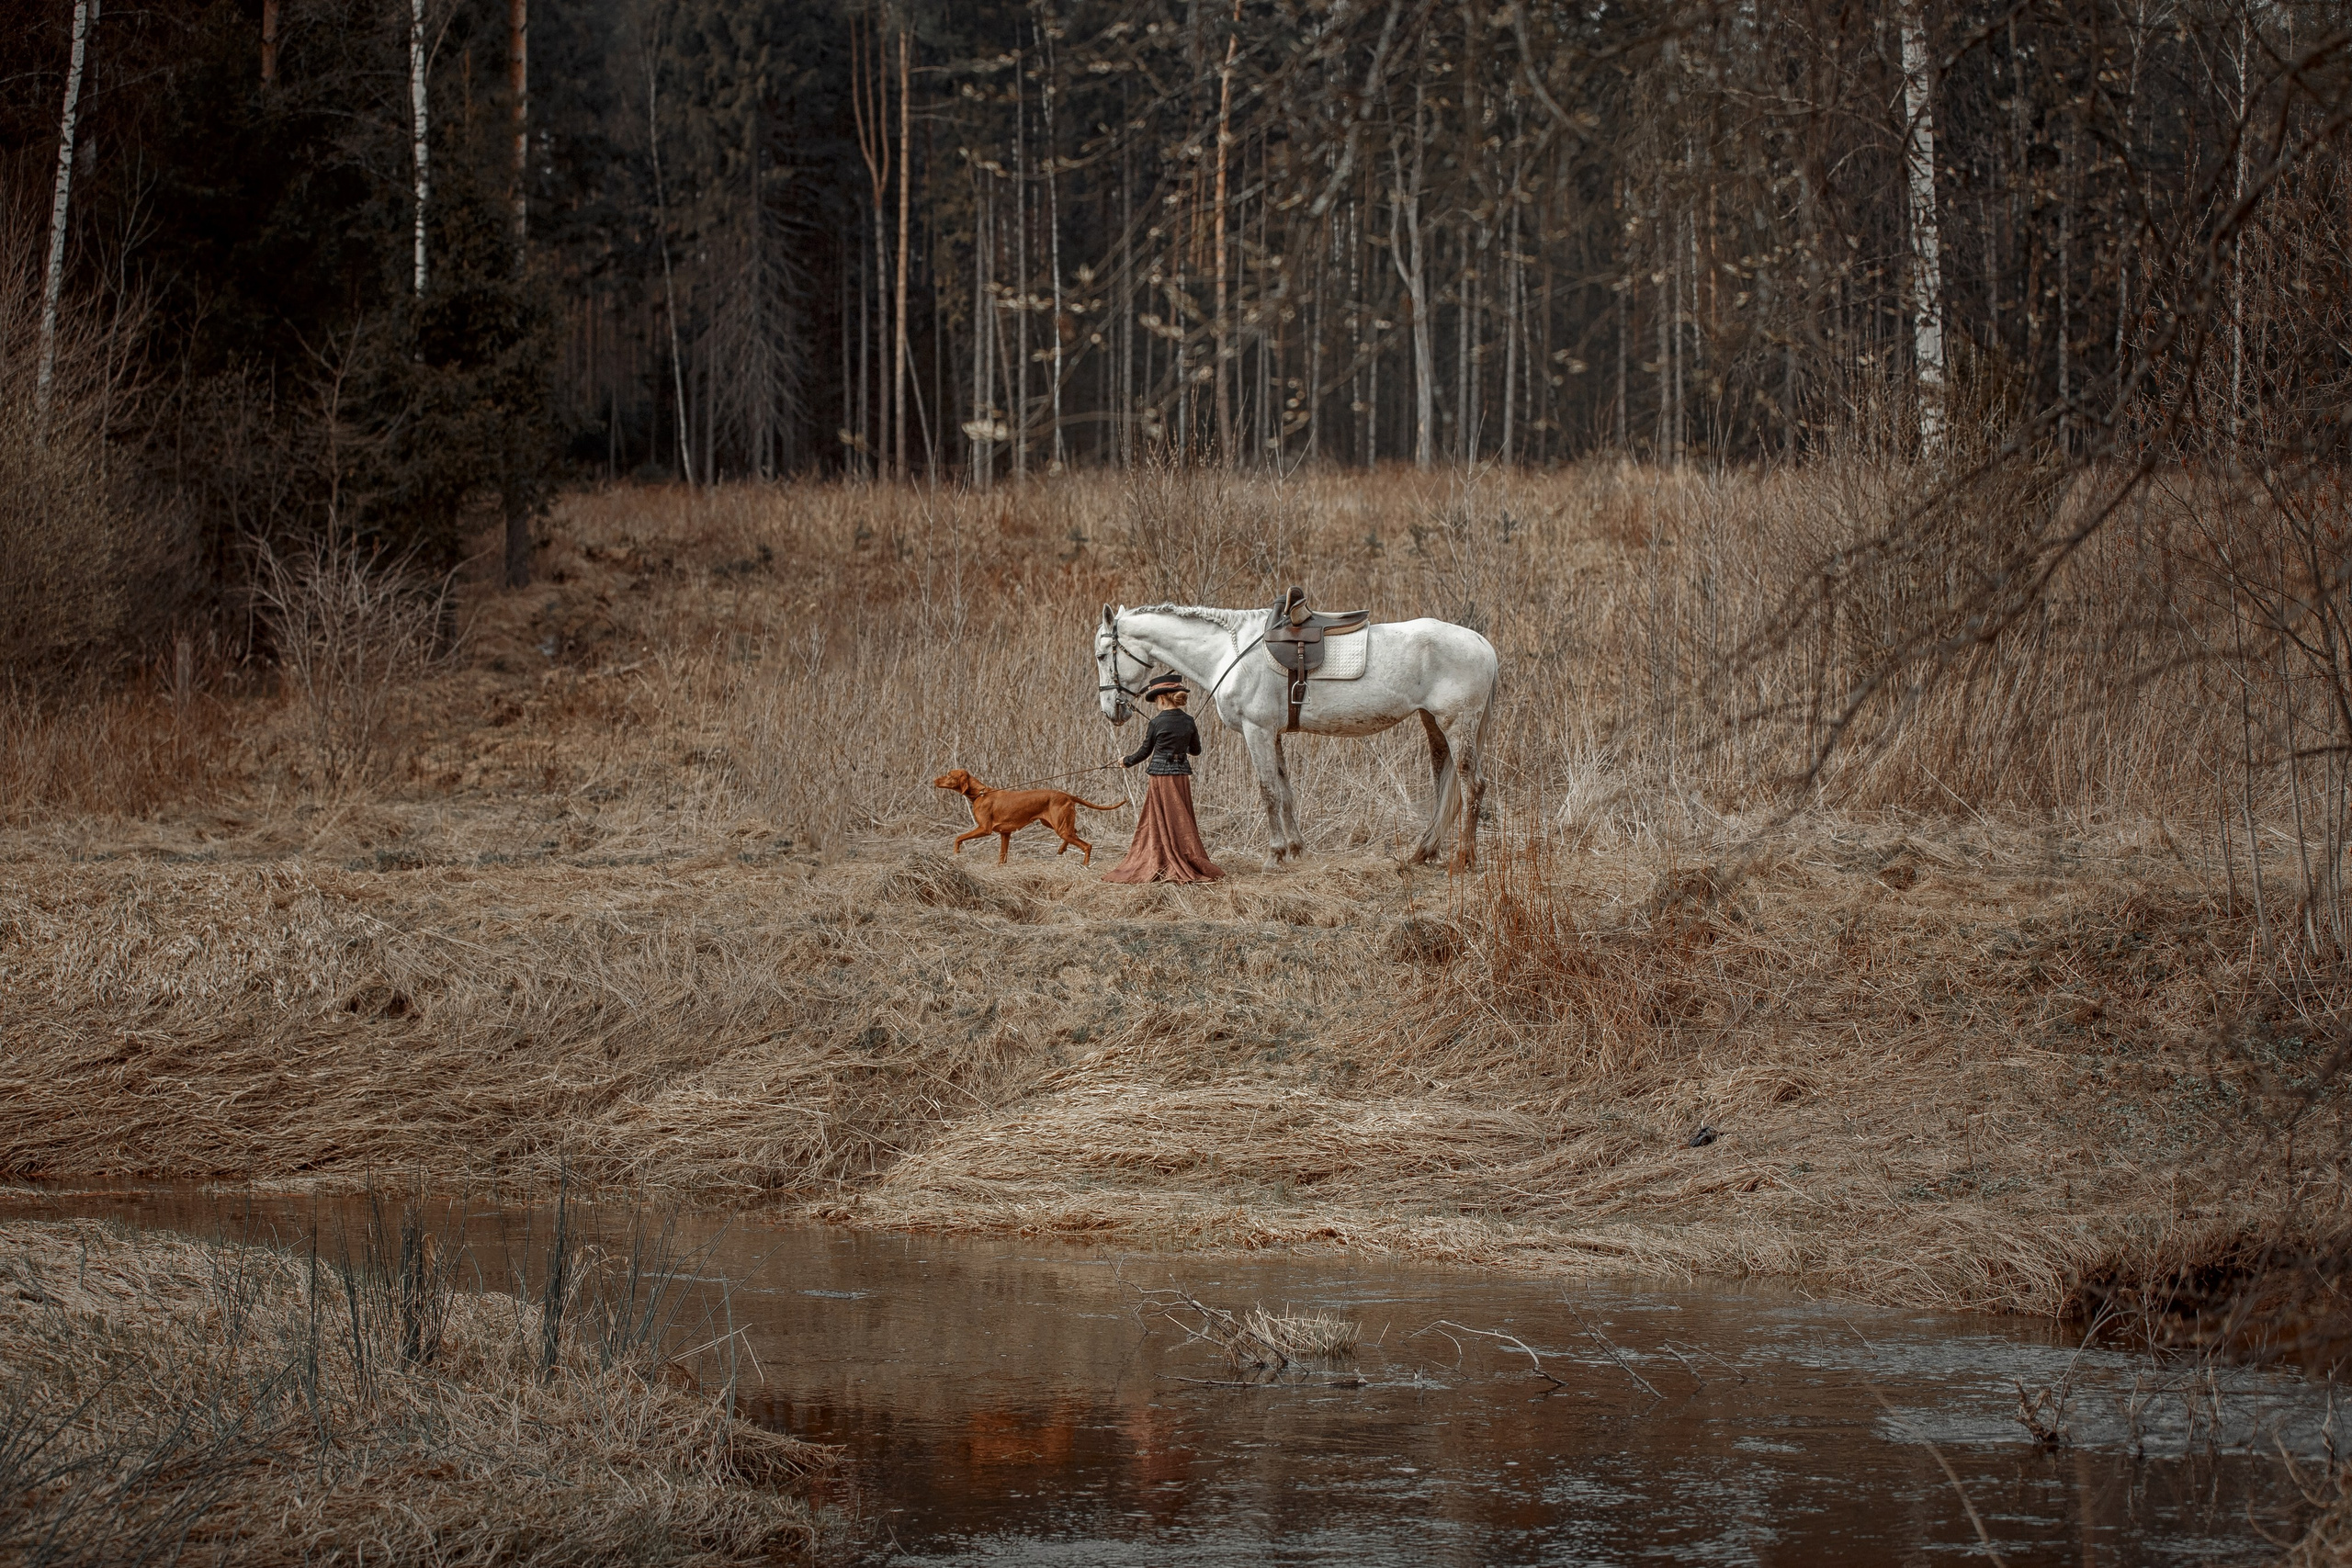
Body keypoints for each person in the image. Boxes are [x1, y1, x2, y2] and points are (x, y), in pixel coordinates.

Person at [1103, 673, 1224, 883]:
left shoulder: (1156, 723)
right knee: (1180, 816)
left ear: (1160, 698)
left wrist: (1126, 760)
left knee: (1162, 817)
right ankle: (1184, 854)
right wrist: (1181, 742)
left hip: (1160, 777)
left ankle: (1164, 857)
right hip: (1180, 777)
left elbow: (1144, 752)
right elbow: (1196, 751)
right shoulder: (1189, 721)